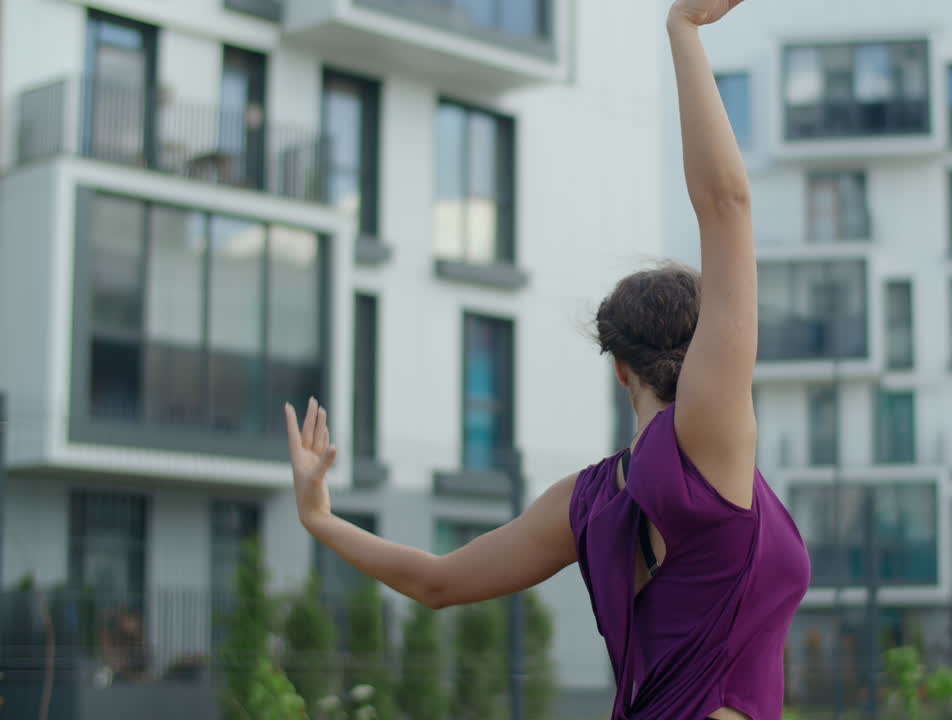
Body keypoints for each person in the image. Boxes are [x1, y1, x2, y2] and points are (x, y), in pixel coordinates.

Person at [283, 1, 810, 717]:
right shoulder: (709, 438)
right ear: (703, 350)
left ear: (619, 366)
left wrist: (321, 519)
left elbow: (436, 583)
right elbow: (726, 205)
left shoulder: (585, 502)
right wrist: (682, 30)